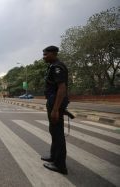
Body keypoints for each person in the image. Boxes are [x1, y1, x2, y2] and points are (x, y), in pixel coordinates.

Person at [41, 45, 69, 175]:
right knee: (53, 130)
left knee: (58, 133)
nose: (44, 57)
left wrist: (56, 109)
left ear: (53, 54)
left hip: (55, 103)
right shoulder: (52, 66)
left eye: (46, 54)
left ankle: (60, 165)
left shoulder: (58, 67)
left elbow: (61, 89)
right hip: (52, 101)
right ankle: (53, 156)